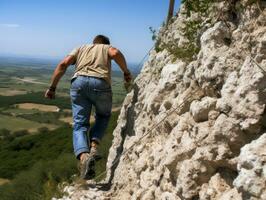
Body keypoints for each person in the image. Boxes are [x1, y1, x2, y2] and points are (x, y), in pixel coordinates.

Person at [45, 35, 132, 179]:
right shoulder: (106, 48)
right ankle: (94, 147)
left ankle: (84, 157)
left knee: (79, 124)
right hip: (100, 84)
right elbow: (115, 53)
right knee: (103, 116)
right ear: (105, 44)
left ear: (94, 43)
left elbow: (63, 64)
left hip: (78, 84)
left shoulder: (80, 48)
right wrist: (126, 72)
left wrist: (52, 87)